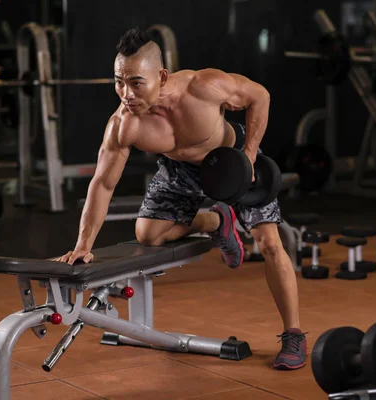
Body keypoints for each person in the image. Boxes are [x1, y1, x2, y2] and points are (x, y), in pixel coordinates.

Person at [55, 28, 307, 370]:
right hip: (179, 170)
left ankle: (293, 333)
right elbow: (102, 184)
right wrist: (83, 243)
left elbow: (259, 96)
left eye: (136, 82)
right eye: (118, 81)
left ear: (161, 76)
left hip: (230, 159)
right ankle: (217, 221)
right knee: (148, 235)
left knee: (270, 242)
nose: (126, 93)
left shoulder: (202, 87)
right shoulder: (122, 125)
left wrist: (248, 156)